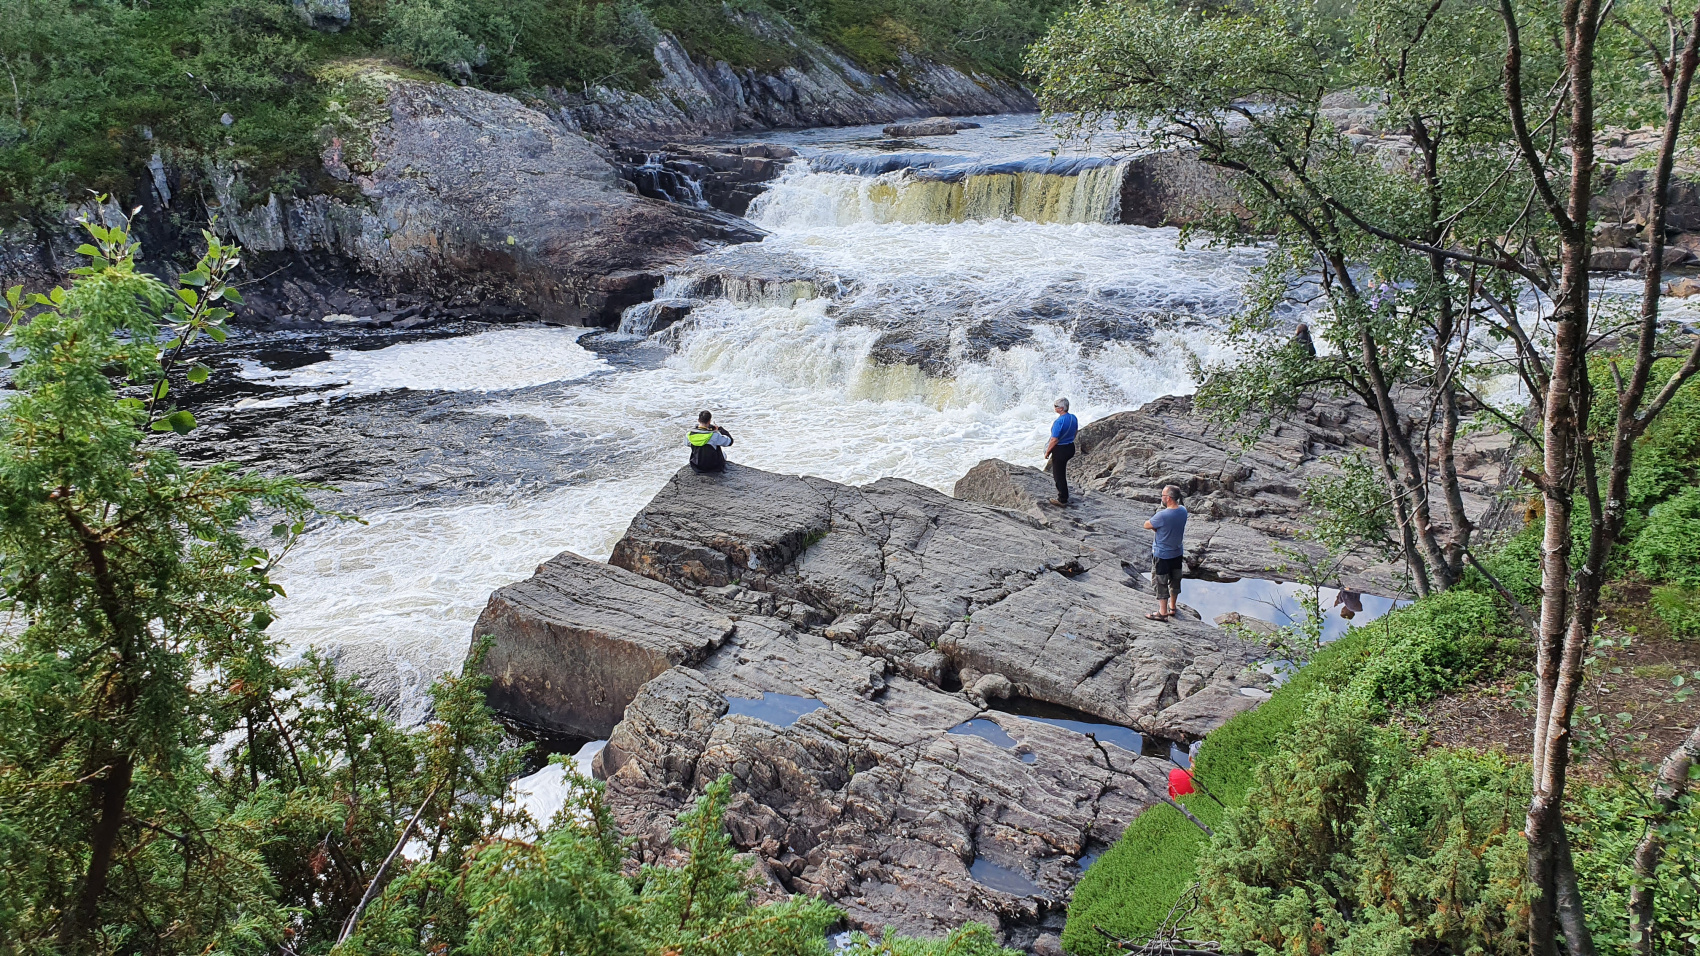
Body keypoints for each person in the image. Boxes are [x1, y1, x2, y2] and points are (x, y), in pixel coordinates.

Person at [1142, 484, 1188, 620]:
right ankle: (1172, 607)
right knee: (1175, 580)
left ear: (1168, 498)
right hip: (1177, 553)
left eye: (1162, 495)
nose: (1161, 498)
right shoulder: (1183, 511)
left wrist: (1156, 528)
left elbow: (1147, 525)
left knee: (1160, 582)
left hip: (1162, 555)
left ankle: (1163, 613)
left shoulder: (1162, 515)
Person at [1044, 397, 1078, 506]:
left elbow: (1054, 439)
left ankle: (1062, 499)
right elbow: (1075, 431)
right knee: (1062, 472)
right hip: (1070, 447)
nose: (1054, 408)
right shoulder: (1073, 417)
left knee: (1059, 475)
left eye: (1056, 406)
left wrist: (1047, 452)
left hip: (1061, 450)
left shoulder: (1059, 422)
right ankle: (1065, 493)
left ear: (1061, 408)